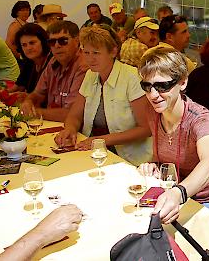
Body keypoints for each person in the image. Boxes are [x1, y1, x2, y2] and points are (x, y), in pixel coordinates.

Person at [137, 46, 209, 224]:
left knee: (168, 238)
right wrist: (153, 165)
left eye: (162, 86)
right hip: (172, 193)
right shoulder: (152, 110)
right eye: (147, 86)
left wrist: (177, 193)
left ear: (182, 82)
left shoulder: (201, 119)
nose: (153, 94)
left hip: (208, 200)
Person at [54, 26, 152, 165]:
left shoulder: (132, 77)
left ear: (113, 51)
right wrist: (70, 129)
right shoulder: (90, 75)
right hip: (94, 153)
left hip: (130, 159)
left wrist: (102, 140)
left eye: (96, 53)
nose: (90, 58)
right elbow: (75, 114)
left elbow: (146, 129)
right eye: (86, 52)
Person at [21, 20, 88, 122]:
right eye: (52, 42)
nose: (57, 45)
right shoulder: (53, 62)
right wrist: (28, 102)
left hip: (74, 131)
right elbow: (38, 94)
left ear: (77, 41)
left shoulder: (83, 66)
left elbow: (71, 114)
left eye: (63, 41)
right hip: (52, 125)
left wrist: (34, 112)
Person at [0, 24, 52, 104]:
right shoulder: (29, 61)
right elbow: (18, 87)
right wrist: (2, 90)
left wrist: (28, 96)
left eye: (32, 43)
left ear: (43, 42)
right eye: (24, 45)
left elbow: (52, 97)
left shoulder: (51, 62)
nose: (28, 48)